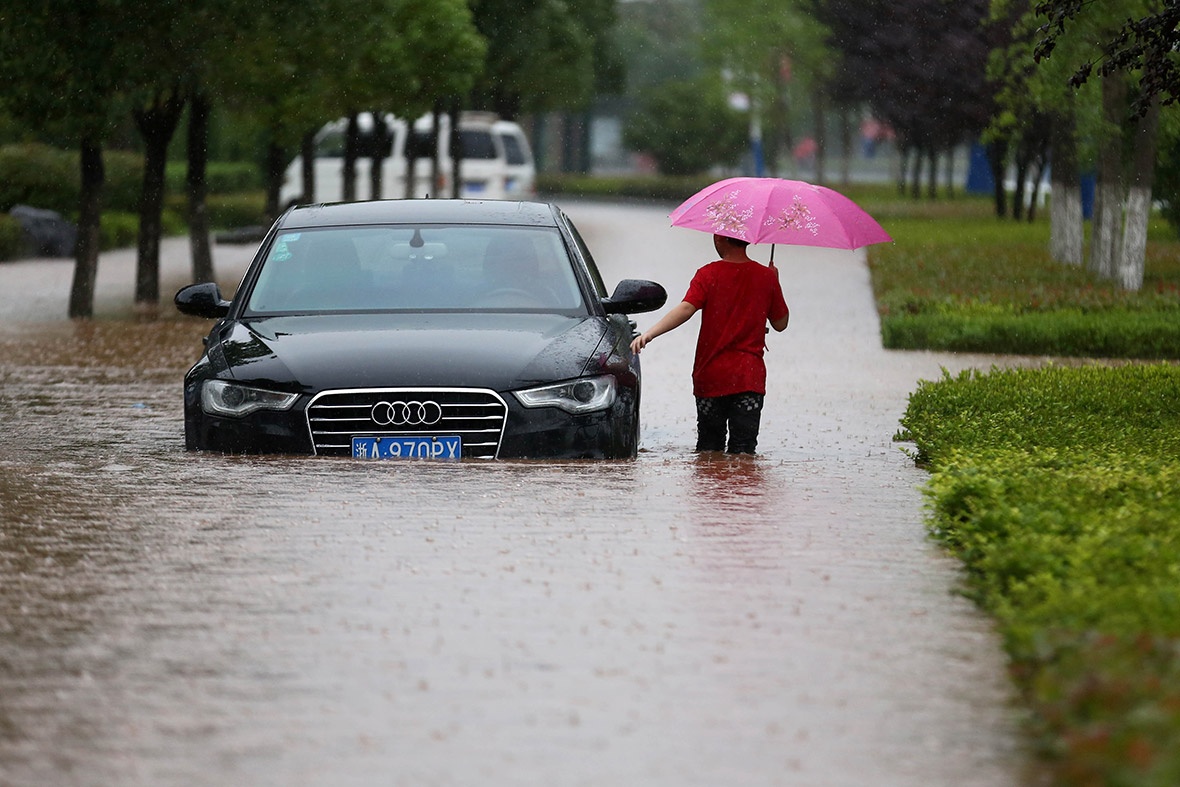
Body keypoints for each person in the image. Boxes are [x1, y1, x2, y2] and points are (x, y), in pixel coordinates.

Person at [630, 233, 789, 454]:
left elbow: (686, 308)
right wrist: (774, 282)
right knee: (744, 454)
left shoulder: (708, 274)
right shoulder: (766, 277)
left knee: (708, 451)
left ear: (718, 239)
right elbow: (781, 324)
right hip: (748, 377)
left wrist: (650, 333)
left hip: (711, 375)